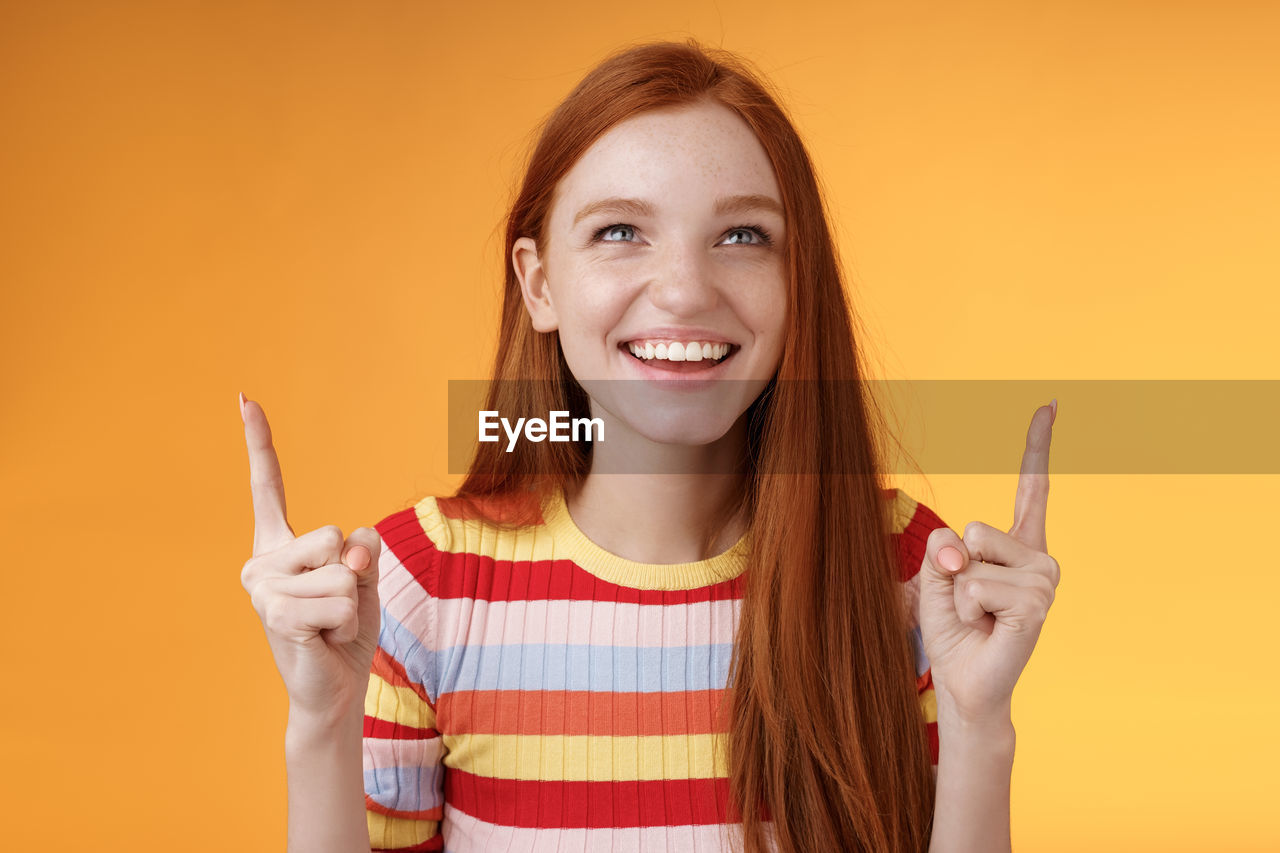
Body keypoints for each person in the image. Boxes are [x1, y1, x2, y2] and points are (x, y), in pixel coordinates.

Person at [240, 39, 1060, 853]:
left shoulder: (912, 573)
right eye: (620, 231)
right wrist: (322, 723)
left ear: (796, 278)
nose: (683, 290)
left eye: (742, 236)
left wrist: (981, 722)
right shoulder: (418, 586)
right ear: (539, 283)